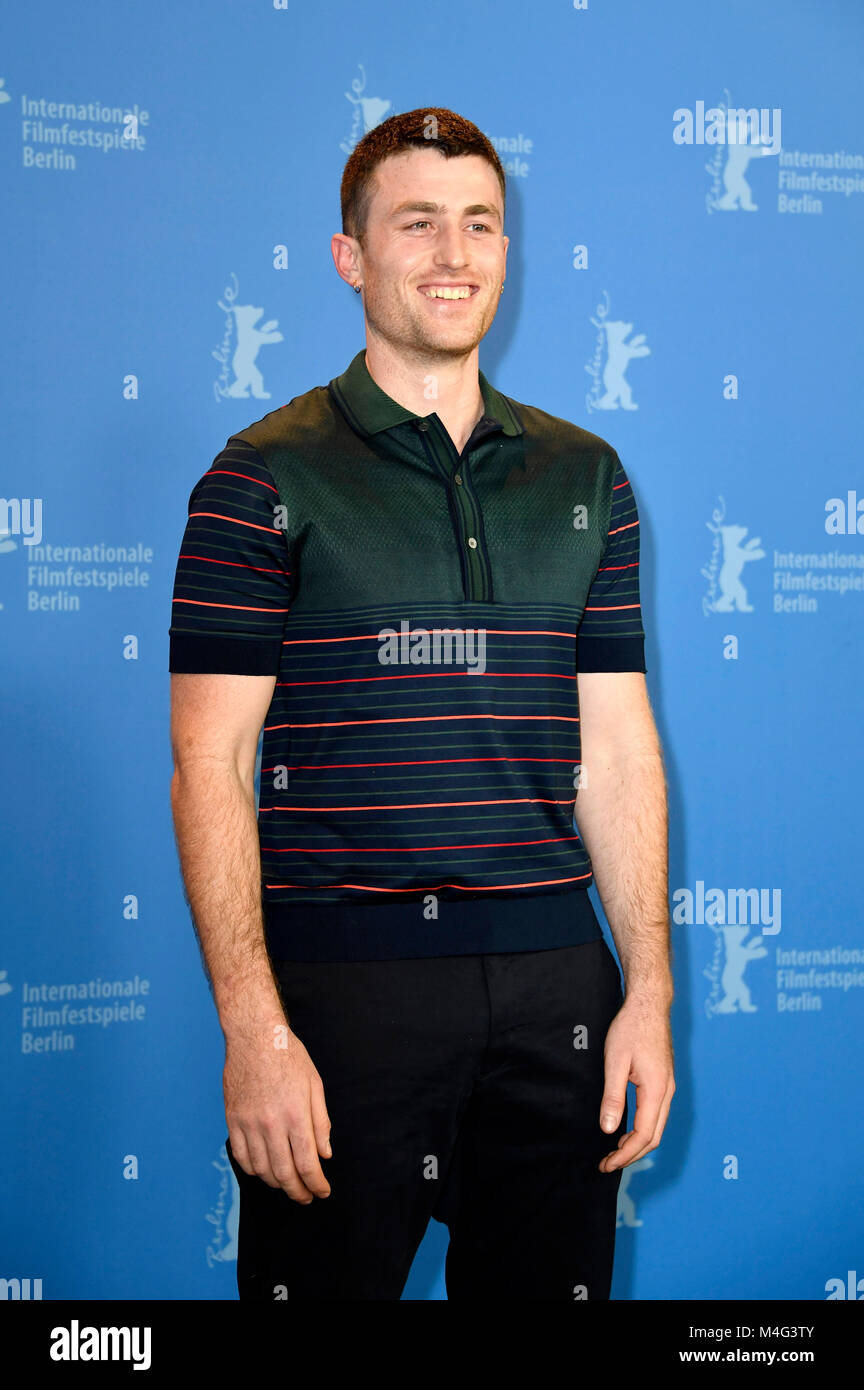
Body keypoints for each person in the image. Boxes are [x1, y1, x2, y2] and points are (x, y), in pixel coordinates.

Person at [168, 107, 674, 1301]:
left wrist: (647, 992)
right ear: (352, 256)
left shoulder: (585, 476)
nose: (455, 255)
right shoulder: (260, 479)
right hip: (345, 1006)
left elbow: (619, 753)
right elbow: (213, 767)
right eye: (418, 224)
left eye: (480, 224)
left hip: (561, 992)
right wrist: (254, 1030)